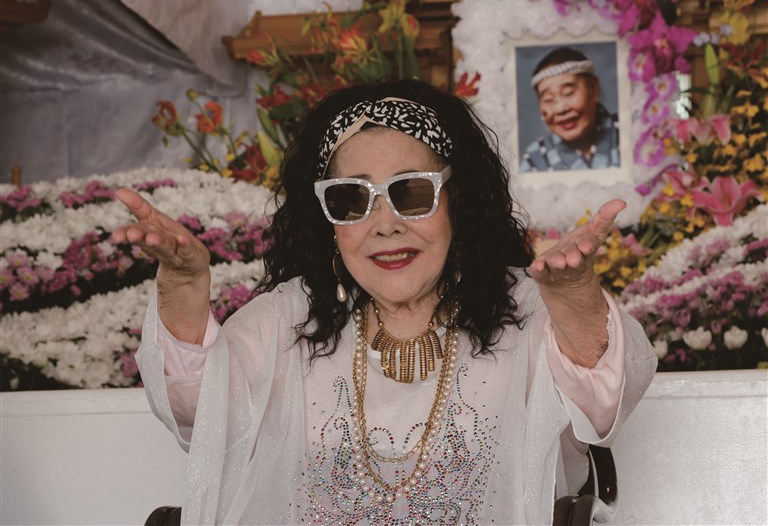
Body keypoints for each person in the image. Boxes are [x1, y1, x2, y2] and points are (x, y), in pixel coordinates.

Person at [113, 79, 656, 524]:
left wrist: (577, 299)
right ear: (328, 221)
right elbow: (204, 420)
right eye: (351, 198)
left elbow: (604, 404)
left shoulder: (528, 306)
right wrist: (182, 289)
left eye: (411, 192)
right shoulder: (286, 318)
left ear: (456, 198)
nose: (385, 225)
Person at [521, 47, 621, 172]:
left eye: (568, 93)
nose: (560, 109)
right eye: (548, 99)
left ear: (594, 89)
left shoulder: (631, 134)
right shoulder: (534, 160)